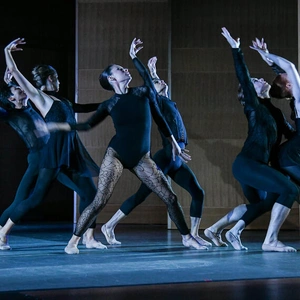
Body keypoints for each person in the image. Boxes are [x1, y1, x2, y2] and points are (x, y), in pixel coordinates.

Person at [48, 38, 206, 254]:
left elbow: (160, 118)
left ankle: (187, 237)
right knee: (100, 200)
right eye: (120, 69)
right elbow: (86, 125)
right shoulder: (110, 104)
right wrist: (58, 126)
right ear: (112, 78)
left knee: (170, 197)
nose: (125, 70)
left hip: (142, 157)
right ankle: (73, 242)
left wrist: (134, 56)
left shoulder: (143, 93)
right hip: (117, 155)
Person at [0, 37, 104, 251]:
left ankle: (89, 237)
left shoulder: (62, 101)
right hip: (53, 154)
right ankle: (2, 233)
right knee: (35, 198)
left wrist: (112, 103)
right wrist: (7, 52)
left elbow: (83, 108)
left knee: (91, 195)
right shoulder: (39, 98)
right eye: (55, 77)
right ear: (47, 79)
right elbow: (15, 73)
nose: (59, 81)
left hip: (72, 152)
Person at [204, 28, 299, 252]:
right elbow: (244, 78)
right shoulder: (253, 106)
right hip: (247, 164)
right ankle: (271, 241)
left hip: (252, 166)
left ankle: (218, 229)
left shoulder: (275, 113)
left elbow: (292, 135)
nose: (258, 80)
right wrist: (236, 50)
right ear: (251, 92)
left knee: (265, 203)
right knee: (290, 191)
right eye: (255, 81)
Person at [101, 56, 211, 247]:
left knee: (198, 192)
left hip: (176, 158)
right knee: (141, 195)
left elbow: (160, 88)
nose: (162, 82)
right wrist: (151, 74)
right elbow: (153, 90)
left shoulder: (166, 99)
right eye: (157, 82)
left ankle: (193, 234)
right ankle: (109, 225)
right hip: (166, 156)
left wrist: (155, 73)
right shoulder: (153, 100)